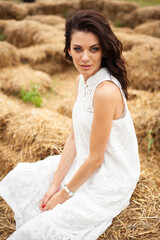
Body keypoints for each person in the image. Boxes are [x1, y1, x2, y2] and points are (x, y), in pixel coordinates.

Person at [0, 9, 140, 240]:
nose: (85, 57)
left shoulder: (105, 91)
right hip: (84, 162)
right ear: (68, 50)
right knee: (23, 179)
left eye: (93, 49)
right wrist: (56, 183)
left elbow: (97, 158)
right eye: (78, 49)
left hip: (109, 175)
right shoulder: (80, 81)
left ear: (104, 50)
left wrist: (62, 196)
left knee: (42, 228)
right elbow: (74, 138)